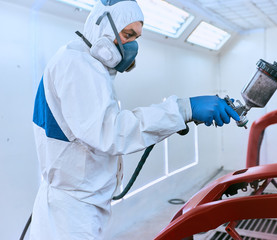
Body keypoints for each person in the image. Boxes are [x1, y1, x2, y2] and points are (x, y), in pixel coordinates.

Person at [30, 0, 240, 239]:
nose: (132, 46)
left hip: (81, 202)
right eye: (128, 35)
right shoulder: (76, 65)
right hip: (69, 211)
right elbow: (110, 132)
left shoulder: (89, 65)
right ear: (102, 29)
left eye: (136, 38)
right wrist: (184, 109)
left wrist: (183, 112)